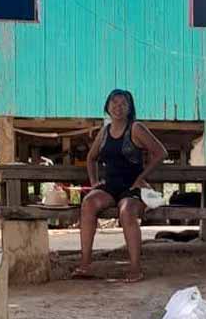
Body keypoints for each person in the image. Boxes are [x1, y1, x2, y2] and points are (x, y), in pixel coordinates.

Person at [72, 89, 167, 283]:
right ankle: (85, 264)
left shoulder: (136, 128)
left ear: (130, 108)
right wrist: (94, 182)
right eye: (114, 103)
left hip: (132, 187)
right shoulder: (104, 131)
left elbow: (160, 152)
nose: (118, 107)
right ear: (107, 106)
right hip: (111, 186)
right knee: (88, 203)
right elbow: (91, 158)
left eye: (123, 103)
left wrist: (142, 177)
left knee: (126, 212)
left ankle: (135, 267)